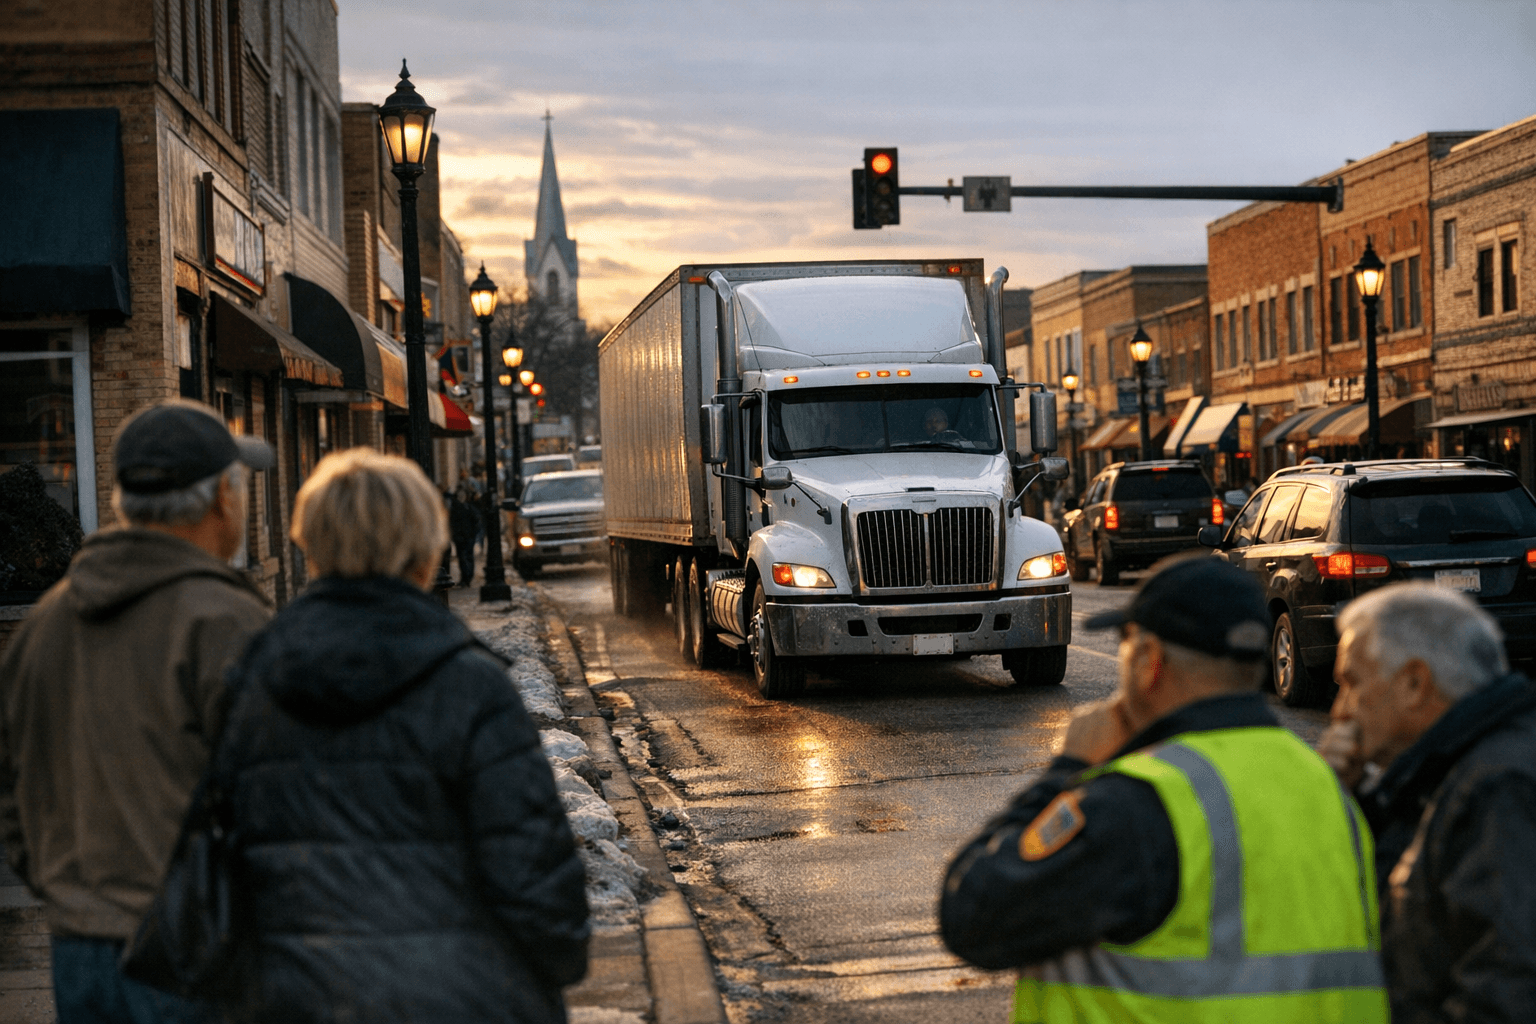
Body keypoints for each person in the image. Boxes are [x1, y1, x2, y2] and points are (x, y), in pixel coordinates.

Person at [212, 448, 588, 1023]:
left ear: (312, 546)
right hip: (460, 997)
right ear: (423, 551)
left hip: (299, 996)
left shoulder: (252, 684)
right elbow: (535, 874)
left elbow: (216, 857)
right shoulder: (470, 686)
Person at [940, 556, 1387, 1022]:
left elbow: (972, 916)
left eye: (1125, 643)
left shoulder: (1139, 802)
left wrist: (1067, 771)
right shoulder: (1328, 786)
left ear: (1148, 661)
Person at [0, 400, 274, 1024]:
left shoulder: (47, 621)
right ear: (221, 500)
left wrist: (63, 887)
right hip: (197, 949)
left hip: (80, 949)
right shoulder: (227, 623)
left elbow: (13, 787)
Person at [1317, 583, 1536, 1020]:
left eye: (1352, 684)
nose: (1340, 711)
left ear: (1415, 683)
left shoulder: (1498, 787)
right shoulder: (1453, 773)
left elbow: (1505, 992)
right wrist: (1357, 804)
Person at [448, 486, 481, 586]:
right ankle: (466, 578)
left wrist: (472, 534)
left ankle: (467, 578)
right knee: (464, 557)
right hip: (462, 536)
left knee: (466, 557)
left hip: (466, 536)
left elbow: (476, 521)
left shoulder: (467, 507)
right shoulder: (457, 507)